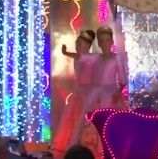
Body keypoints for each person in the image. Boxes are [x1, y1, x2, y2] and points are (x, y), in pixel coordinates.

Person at [77, 25, 130, 157]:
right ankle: (95, 153)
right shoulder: (97, 58)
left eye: (107, 40)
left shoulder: (117, 58)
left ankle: (109, 152)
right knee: (93, 124)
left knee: (110, 127)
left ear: (112, 42)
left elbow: (123, 79)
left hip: (111, 95)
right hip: (96, 95)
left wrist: (117, 93)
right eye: (102, 40)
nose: (105, 43)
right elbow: (83, 57)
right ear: (99, 43)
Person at [51, 29, 97, 157]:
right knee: (74, 121)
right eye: (77, 44)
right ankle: (73, 149)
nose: (77, 46)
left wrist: (66, 52)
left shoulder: (90, 57)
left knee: (87, 121)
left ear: (88, 46)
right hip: (78, 94)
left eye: (80, 44)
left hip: (88, 95)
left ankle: (88, 149)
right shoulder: (79, 57)